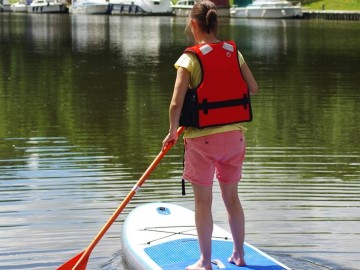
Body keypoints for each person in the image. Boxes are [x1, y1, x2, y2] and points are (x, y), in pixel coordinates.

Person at [162, 1, 259, 269]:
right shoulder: (234, 53)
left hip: (202, 140)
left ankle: (205, 261)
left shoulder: (189, 58)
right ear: (216, 24)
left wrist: (172, 132)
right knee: (232, 197)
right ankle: (239, 255)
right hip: (235, 138)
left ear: (193, 24)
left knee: (203, 202)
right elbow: (253, 88)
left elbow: (174, 103)